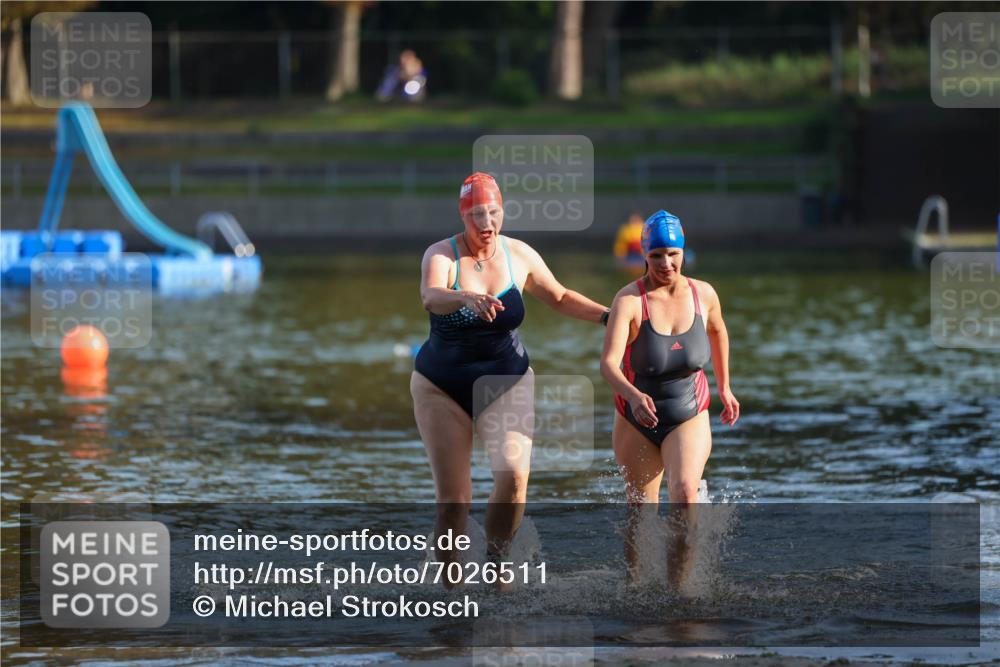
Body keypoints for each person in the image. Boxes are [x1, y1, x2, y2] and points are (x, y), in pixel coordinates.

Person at [411, 172, 608, 584]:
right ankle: (452, 590)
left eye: (494, 213)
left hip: (508, 381)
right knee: (453, 503)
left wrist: (611, 317)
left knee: (515, 478)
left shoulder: (519, 254)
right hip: (440, 387)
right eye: (477, 215)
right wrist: (465, 296)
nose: (486, 224)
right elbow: (431, 296)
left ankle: (497, 569)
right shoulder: (442, 255)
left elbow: (560, 297)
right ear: (463, 215)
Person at [599, 210, 739, 586]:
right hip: (636, 418)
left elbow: (718, 331)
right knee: (640, 512)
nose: (666, 263)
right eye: (657, 254)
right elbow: (608, 365)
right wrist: (632, 394)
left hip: (688, 413)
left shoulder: (703, 293)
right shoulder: (629, 301)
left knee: (684, 492)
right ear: (644, 254)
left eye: (673, 253)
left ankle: (678, 592)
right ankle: (635, 588)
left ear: (683, 252)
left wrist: (724, 387)